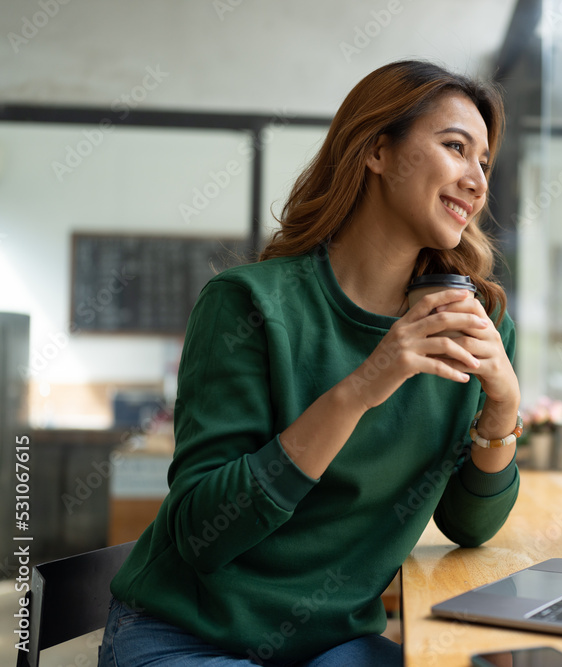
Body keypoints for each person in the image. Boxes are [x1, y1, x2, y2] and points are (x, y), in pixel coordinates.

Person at [98, 60, 521, 667]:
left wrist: (503, 406)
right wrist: (363, 387)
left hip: (329, 645)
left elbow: (470, 524)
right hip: (187, 634)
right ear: (377, 150)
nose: (477, 180)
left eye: (483, 162)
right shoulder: (248, 304)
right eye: (455, 147)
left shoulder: (475, 324)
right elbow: (199, 532)